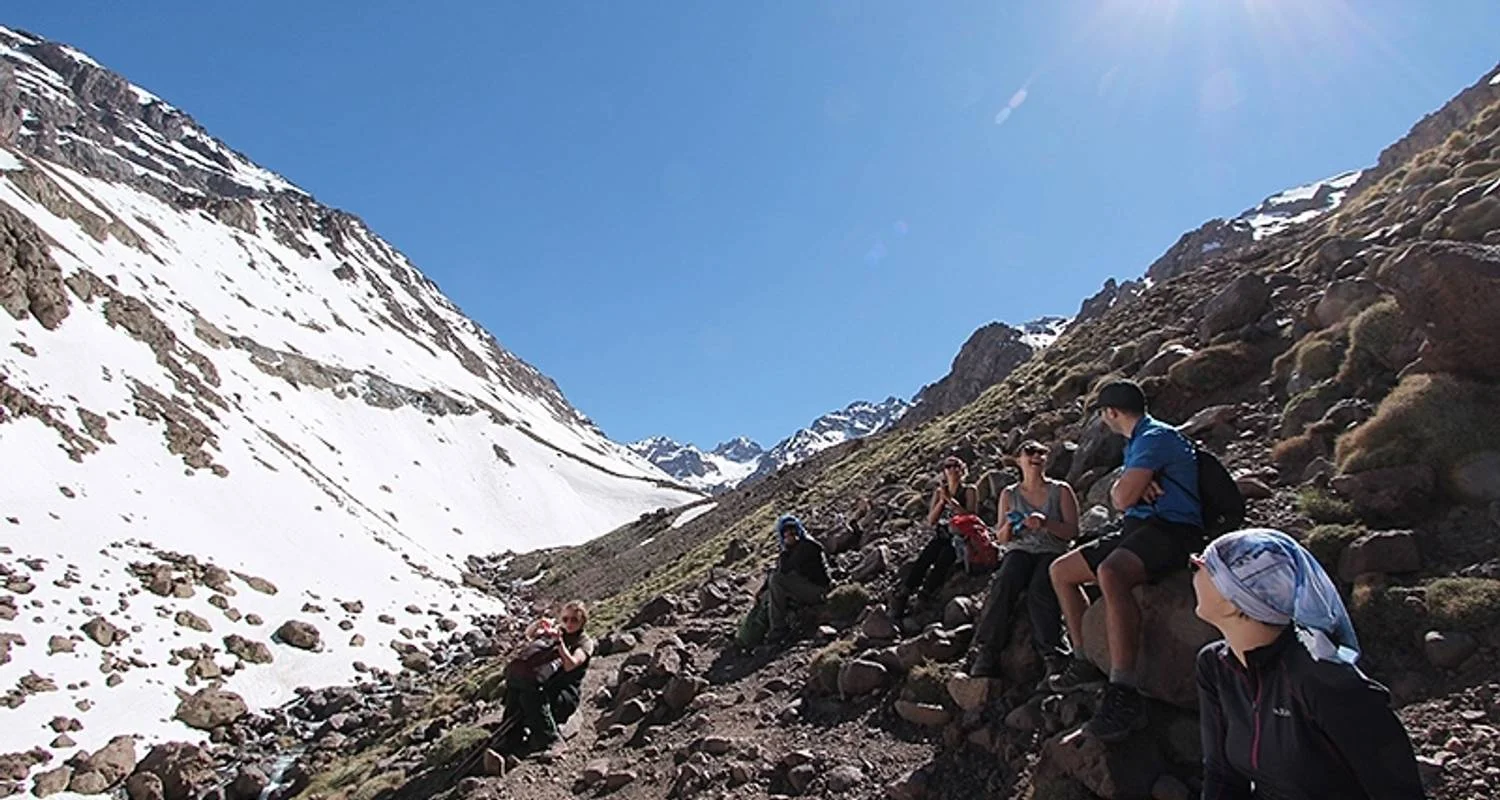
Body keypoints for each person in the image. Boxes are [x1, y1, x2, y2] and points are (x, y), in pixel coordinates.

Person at [1193, 528, 1425, 799]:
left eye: (1203, 566)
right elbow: (1222, 777)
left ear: (1233, 601)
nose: (1193, 567)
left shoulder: (1326, 684)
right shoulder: (1216, 666)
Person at [1047, 379, 1204, 741]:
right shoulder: (1138, 442)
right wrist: (1134, 485)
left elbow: (1119, 499)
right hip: (1139, 527)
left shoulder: (1154, 438)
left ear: (1112, 412)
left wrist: (1131, 487)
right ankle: (1085, 659)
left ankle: (1124, 691)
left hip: (1172, 529)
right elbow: (1125, 496)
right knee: (1062, 571)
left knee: (1111, 572)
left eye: (1103, 414)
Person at [967, 441, 1079, 679]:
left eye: (1041, 452)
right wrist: (1009, 525)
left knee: (1041, 589)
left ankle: (1054, 654)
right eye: (1030, 452)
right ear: (1018, 460)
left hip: (1052, 550)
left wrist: (1046, 523)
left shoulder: (1061, 490)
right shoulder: (1009, 494)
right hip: (1020, 550)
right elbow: (1001, 538)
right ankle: (987, 651)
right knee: (1005, 582)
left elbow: (1072, 531)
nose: (1036, 456)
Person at [489, 600, 595, 765]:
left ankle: (553, 741)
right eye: (565, 619)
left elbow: (571, 664)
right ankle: (511, 737)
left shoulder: (584, 642)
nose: (569, 623)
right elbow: (529, 634)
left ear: (582, 622)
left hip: (565, 693)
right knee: (516, 689)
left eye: (574, 620)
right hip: (546, 686)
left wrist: (559, 643)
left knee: (530, 696)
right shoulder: (559, 631)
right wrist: (539, 624)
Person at [890, 455, 978, 620]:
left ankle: (925, 594)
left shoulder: (969, 490)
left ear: (962, 470)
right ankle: (905, 593)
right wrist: (941, 501)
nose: (952, 469)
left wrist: (950, 501)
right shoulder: (939, 492)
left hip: (960, 538)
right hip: (941, 534)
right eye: (948, 466)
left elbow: (972, 517)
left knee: (943, 560)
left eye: (956, 466)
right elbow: (931, 520)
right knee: (925, 558)